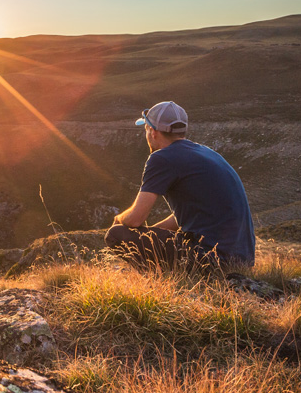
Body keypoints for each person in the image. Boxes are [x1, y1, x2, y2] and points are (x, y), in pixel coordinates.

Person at [106, 100, 255, 270]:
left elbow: (135, 219)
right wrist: (150, 234)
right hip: (242, 262)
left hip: (210, 260)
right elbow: (190, 214)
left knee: (116, 234)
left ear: (152, 132)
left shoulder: (162, 158)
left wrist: (120, 219)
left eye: (146, 129)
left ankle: (157, 282)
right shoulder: (207, 153)